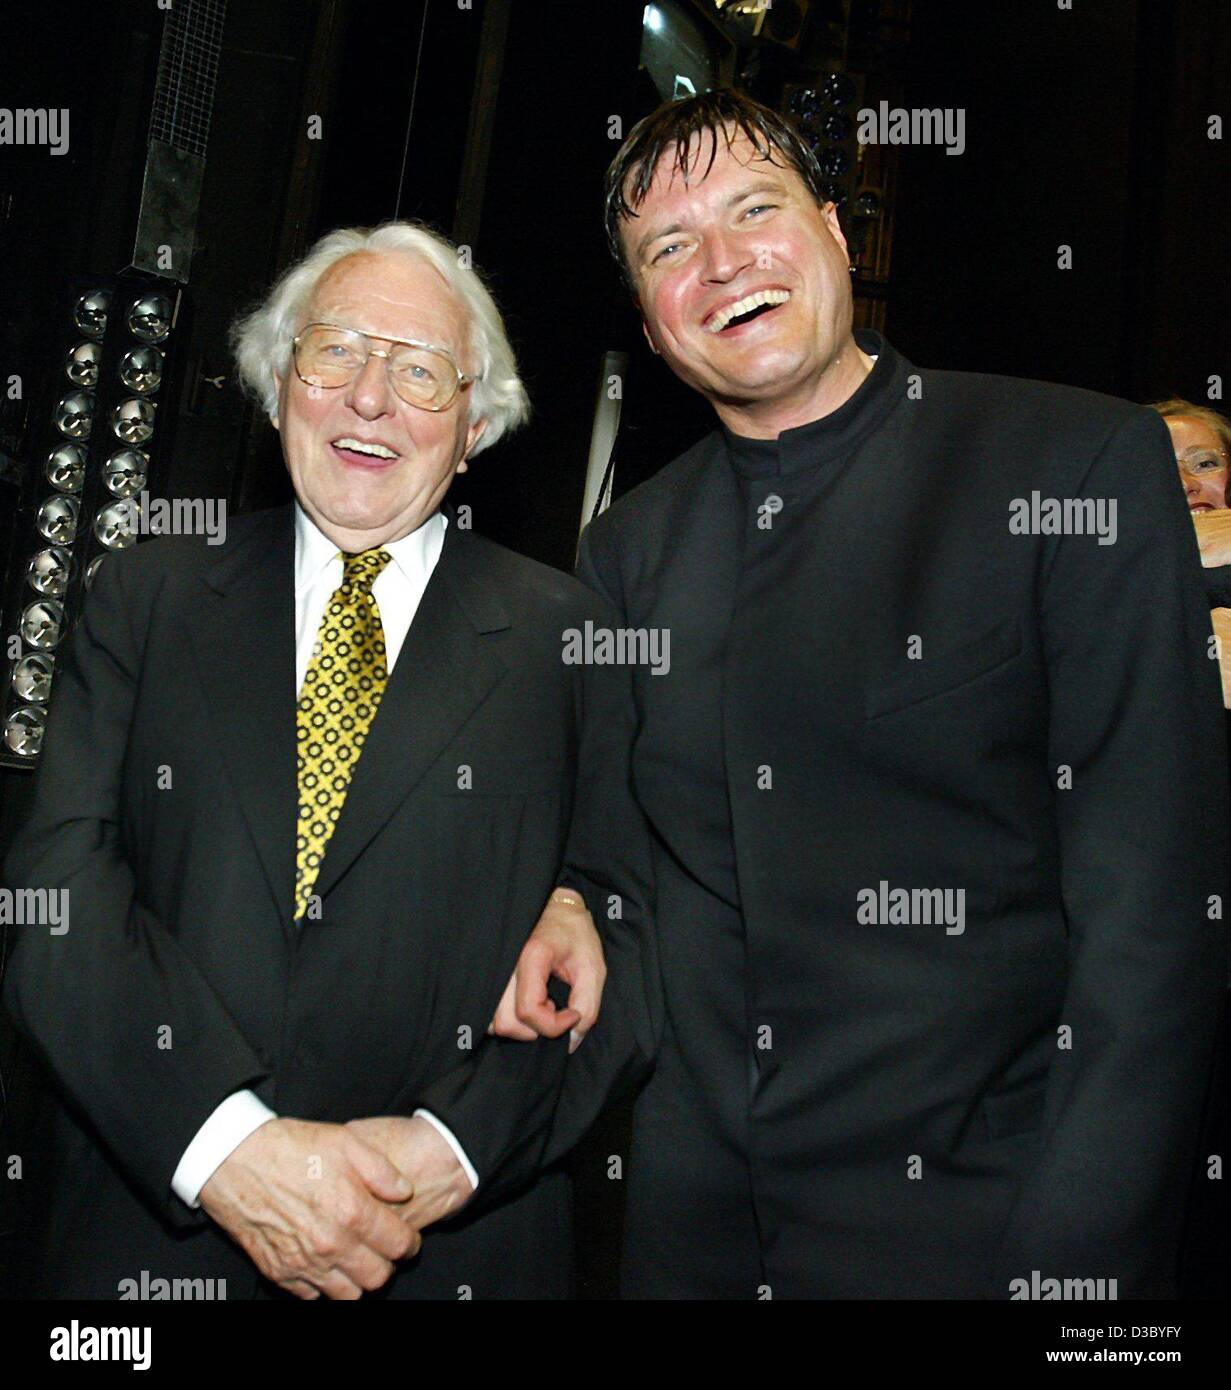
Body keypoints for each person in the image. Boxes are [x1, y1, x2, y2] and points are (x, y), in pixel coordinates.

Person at [555, 88, 1229, 1298]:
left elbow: (1154, 927)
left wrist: (1071, 1277)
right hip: (692, 1248)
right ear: (651, 328)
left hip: (982, 1237)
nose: (722, 264)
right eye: (670, 247)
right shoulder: (624, 558)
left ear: (831, 230)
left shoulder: (1071, 465)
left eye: (754, 209)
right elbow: (619, 885)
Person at [1, 221, 654, 1299]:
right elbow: (55, 901)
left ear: (476, 424)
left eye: (419, 371)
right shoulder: (146, 599)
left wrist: (443, 1155)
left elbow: (627, 946)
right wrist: (228, 1149)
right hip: (148, 1253)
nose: (368, 398)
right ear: (275, 382)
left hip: (450, 1252)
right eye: (336, 350)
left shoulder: (571, 642)